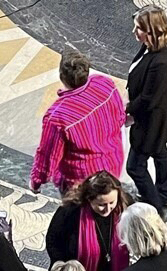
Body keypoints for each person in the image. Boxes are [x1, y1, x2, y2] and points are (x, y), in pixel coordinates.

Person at [31, 46, 127, 191]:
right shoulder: (104, 83)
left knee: (81, 213)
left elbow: (48, 157)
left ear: (61, 76)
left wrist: (37, 182)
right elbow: (120, 118)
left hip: (81, 182)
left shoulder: (58, 116)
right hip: (113, 167)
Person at [124, 7, 167, 211]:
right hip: (159, 115)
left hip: (151, 120)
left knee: (135, 167)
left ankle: (155, 205)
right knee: (160, 151)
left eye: (139, 28)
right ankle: (163, 193)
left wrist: (125, 109)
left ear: (152, 31)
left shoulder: (162, 62)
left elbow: (148, 100)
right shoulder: (150, 46)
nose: (134, 32)